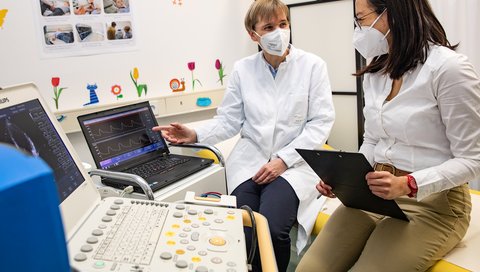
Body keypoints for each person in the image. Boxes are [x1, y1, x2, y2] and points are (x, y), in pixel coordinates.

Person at [296, 0, 480, 271]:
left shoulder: (448, 69)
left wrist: (409, 184)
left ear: (392, 13)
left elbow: (472, 160)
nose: (359, 29)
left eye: (362, 18)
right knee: (310, 269)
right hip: (373, 194)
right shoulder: (376, 73)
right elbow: (372, 140)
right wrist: (346, 178)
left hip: (433, 205)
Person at [152, 1, 334, 271]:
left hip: (293, 166)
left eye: (283, 24)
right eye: (269, 27)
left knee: (271, 229)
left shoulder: (312, 66)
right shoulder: (243, 69)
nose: (279, 32)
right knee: (242, 230)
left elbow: (320, 123)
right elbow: (229, 121)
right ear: (253, 34)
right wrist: (194, 133)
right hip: (251, 161)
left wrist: (282, 161)